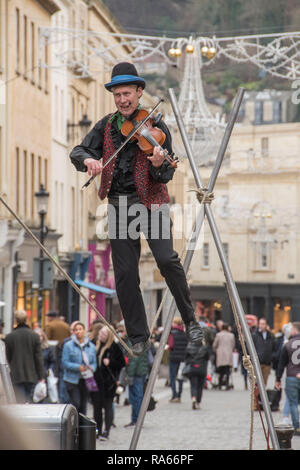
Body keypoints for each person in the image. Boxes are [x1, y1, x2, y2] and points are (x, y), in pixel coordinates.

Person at [69, 61, 203, 357]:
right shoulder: (105, 126)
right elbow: (77, 151)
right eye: (117, 95)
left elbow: (169, 169)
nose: (122, 100)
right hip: (118, 206)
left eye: (127, 94)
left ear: (139, 92)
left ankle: (191, 320)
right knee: (126, 274)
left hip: (152, 203)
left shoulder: (156, 124)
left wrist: (158, 165)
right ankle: (138, 335)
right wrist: (88, 161)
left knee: (167, 260)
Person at [90, 326, 125, 441]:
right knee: (96, 408)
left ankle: (106, 431)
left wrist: (110, 362)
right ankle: (97, 430)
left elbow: (122, 363)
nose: (101, 336)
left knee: (108, 407)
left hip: (109, 383)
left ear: (109, 335)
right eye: (100, 333)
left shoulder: (114, 347)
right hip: (96, 382)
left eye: (104, 334)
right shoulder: (94, 345)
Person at [4, 310, 45, 403]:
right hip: (31, 374)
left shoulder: (10, 337)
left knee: (19, 400)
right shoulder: (34, 336)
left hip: (16, 374)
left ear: (16, 320)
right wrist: (41, 376)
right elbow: (38, 357)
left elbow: (8, 356)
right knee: (29, 400)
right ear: (27, 319)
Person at [62, 322, 97, 414]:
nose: (78, 332)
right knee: (76, 403)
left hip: (86, 378)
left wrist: (91, 368)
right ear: (73, 332)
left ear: (84, 331)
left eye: (80, 329)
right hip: (72, 379)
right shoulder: (68, 345)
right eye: (76, 330)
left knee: (83, 404)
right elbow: (65, 362)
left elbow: (94, 363)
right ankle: (74, 424)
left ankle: (82, 426)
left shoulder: (91, 346)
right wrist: (78, 367)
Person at [276, 322, 300, 436]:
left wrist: (278, 379)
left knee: (293, 403)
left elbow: (281, 364)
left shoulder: (287, 344)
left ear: (295, 330)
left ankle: (297, 427)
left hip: (291, 376)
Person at [124, 346, 148, 428]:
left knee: (136, 398)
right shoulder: (139, 339)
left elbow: (134, 359)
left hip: (136, 373)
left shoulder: (134, 341)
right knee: (137, 397)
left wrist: (130, 374)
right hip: (139, 372)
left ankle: (137, 420)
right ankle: (136, 420)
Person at [184, 341, 210, 409]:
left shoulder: (189, 347)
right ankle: (198, 402)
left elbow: (186, 359)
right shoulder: (204, 348)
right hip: (201, 368)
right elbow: (207, 358)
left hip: (192, 368)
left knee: (193, 386)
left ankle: (193, 398)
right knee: (200, 387)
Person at [168, 317, 188, 403]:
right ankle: (179, 395)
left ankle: (174, 395)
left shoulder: (172, 333)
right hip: (182, 358)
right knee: (180, 377)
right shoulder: (184, 334)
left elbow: (171, 345)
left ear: (175, 324)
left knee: (172, 377)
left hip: (173, 357)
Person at [252, 317, 274, 386]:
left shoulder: (270, 335)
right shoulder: (254, 335)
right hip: (257, 362)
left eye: (263, 324)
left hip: (267, 363)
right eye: (260, 324)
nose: (261, 325)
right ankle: (256, 396)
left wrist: (272, 357)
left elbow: (274, 347)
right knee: (256, 383)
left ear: (266, 325)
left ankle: (261, 397)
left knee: (264, 383)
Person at [213, 323, 235, 390]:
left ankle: (220, 384)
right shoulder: (231, 335)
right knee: (227, 371)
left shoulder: (218, 335)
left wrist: (216, 350)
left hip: (221, 355)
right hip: (228, 355)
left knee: (220, 371)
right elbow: (233, 344)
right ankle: (227, 384)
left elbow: (214, 345)